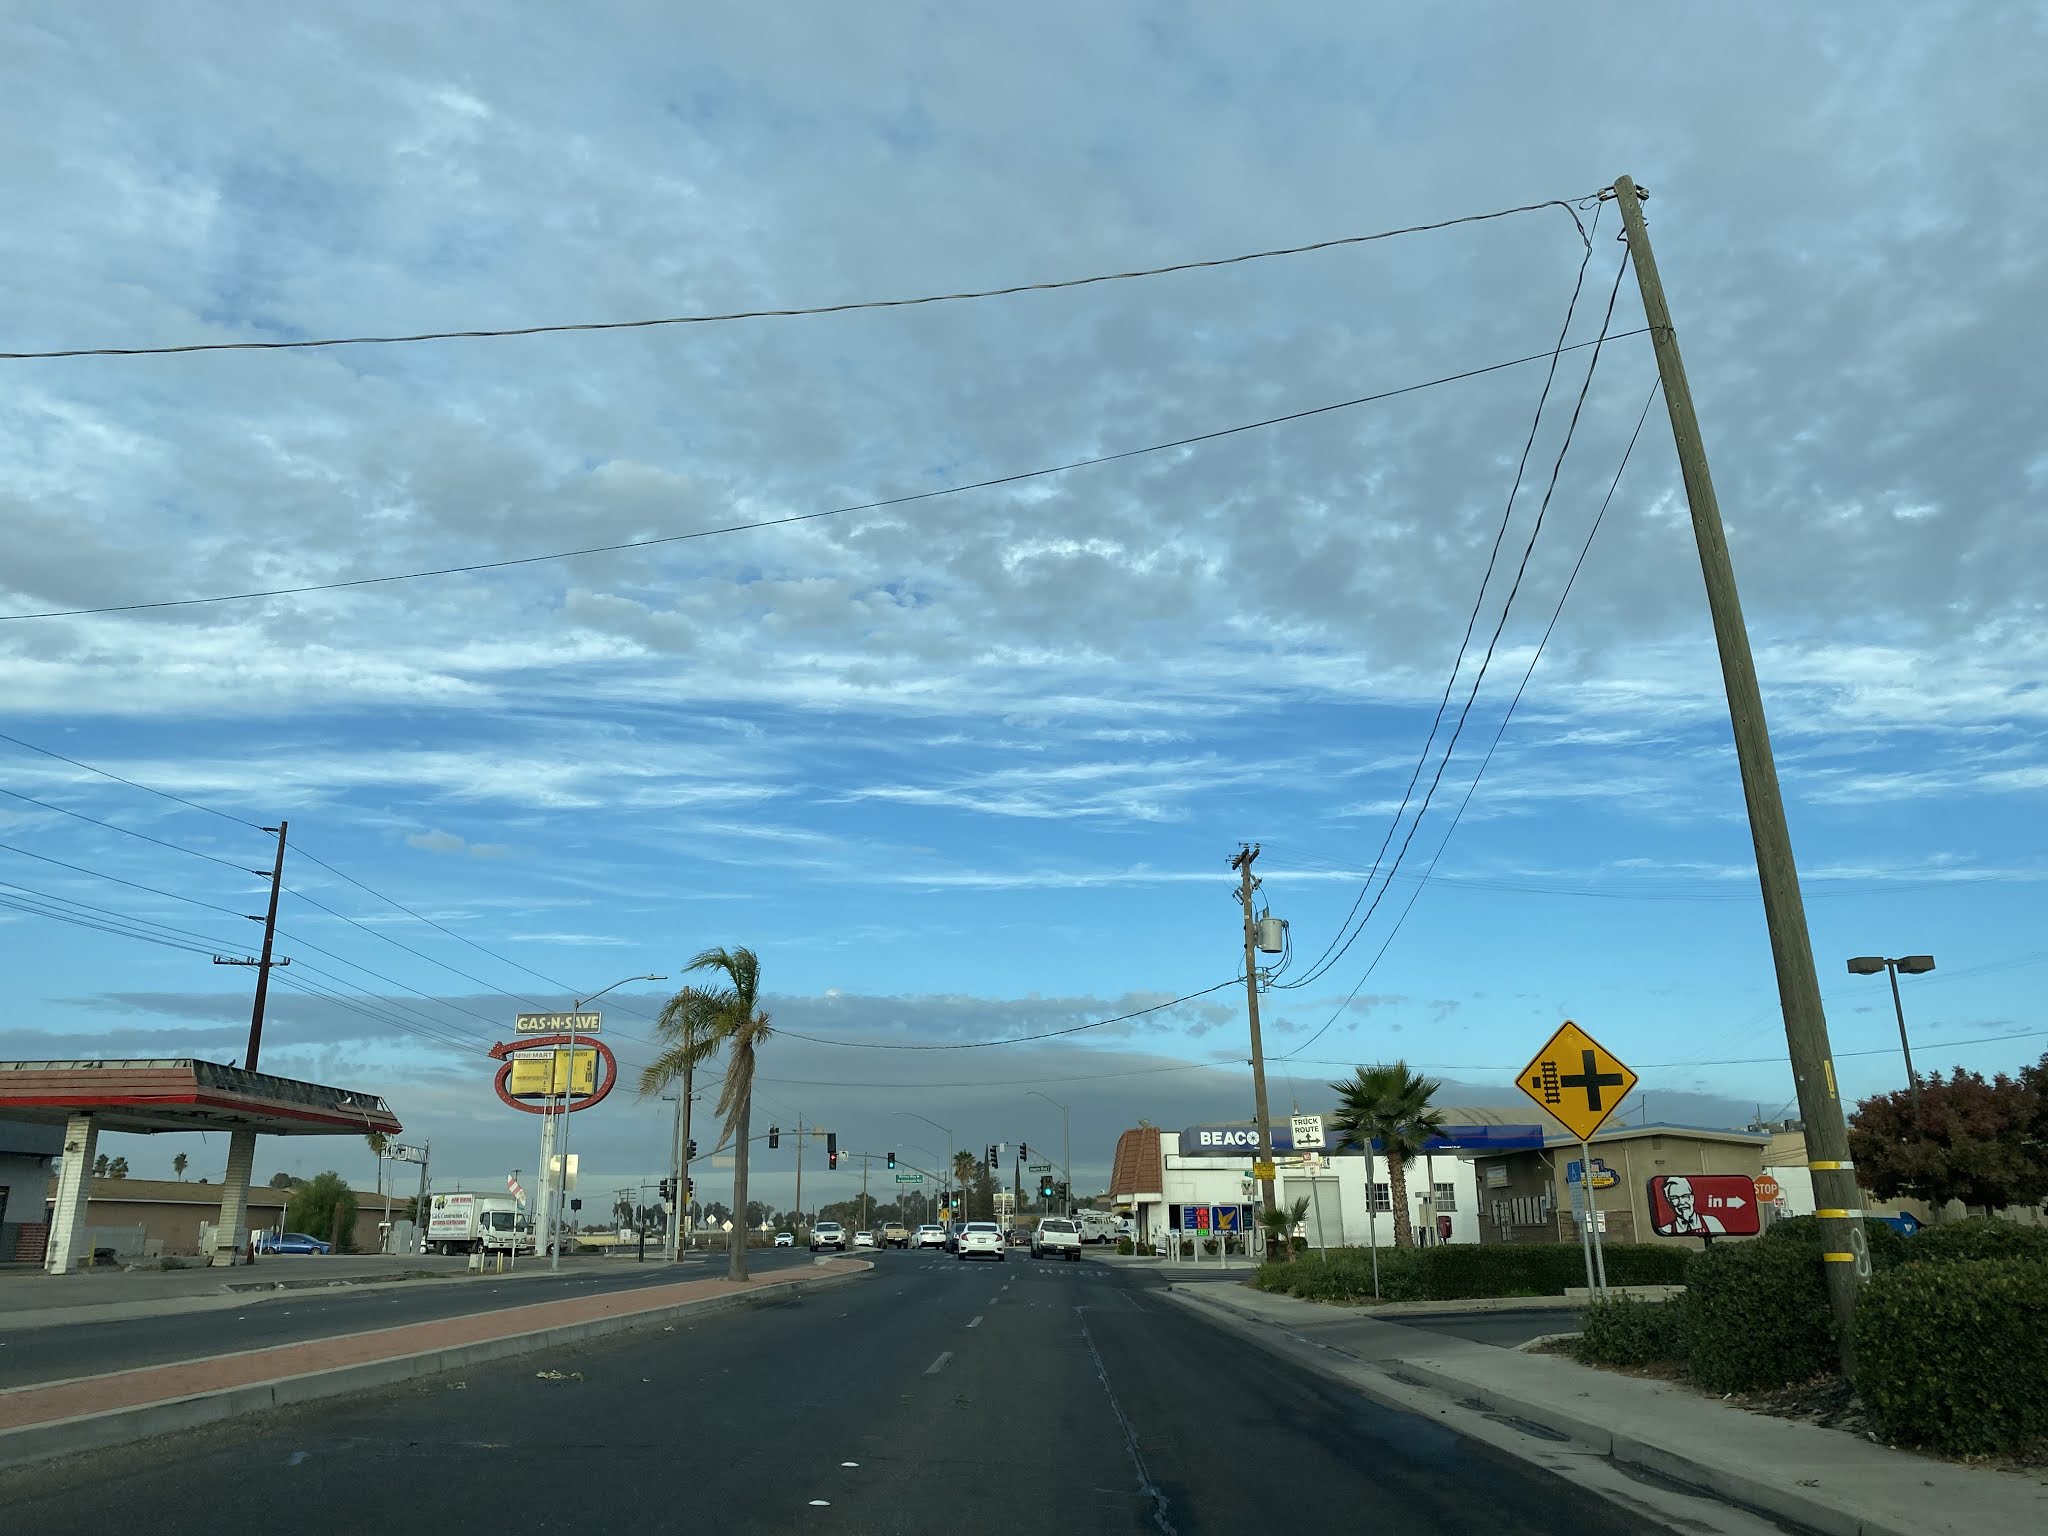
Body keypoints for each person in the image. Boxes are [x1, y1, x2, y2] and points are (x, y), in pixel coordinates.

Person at [1659, 1175, 1726, 1236]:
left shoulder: (1711, 1222)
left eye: (1685, 1196)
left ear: (1692, 1198)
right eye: (1674, 1198)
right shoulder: (1666, 1230)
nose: (1682, 1202)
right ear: (1669, 1201)